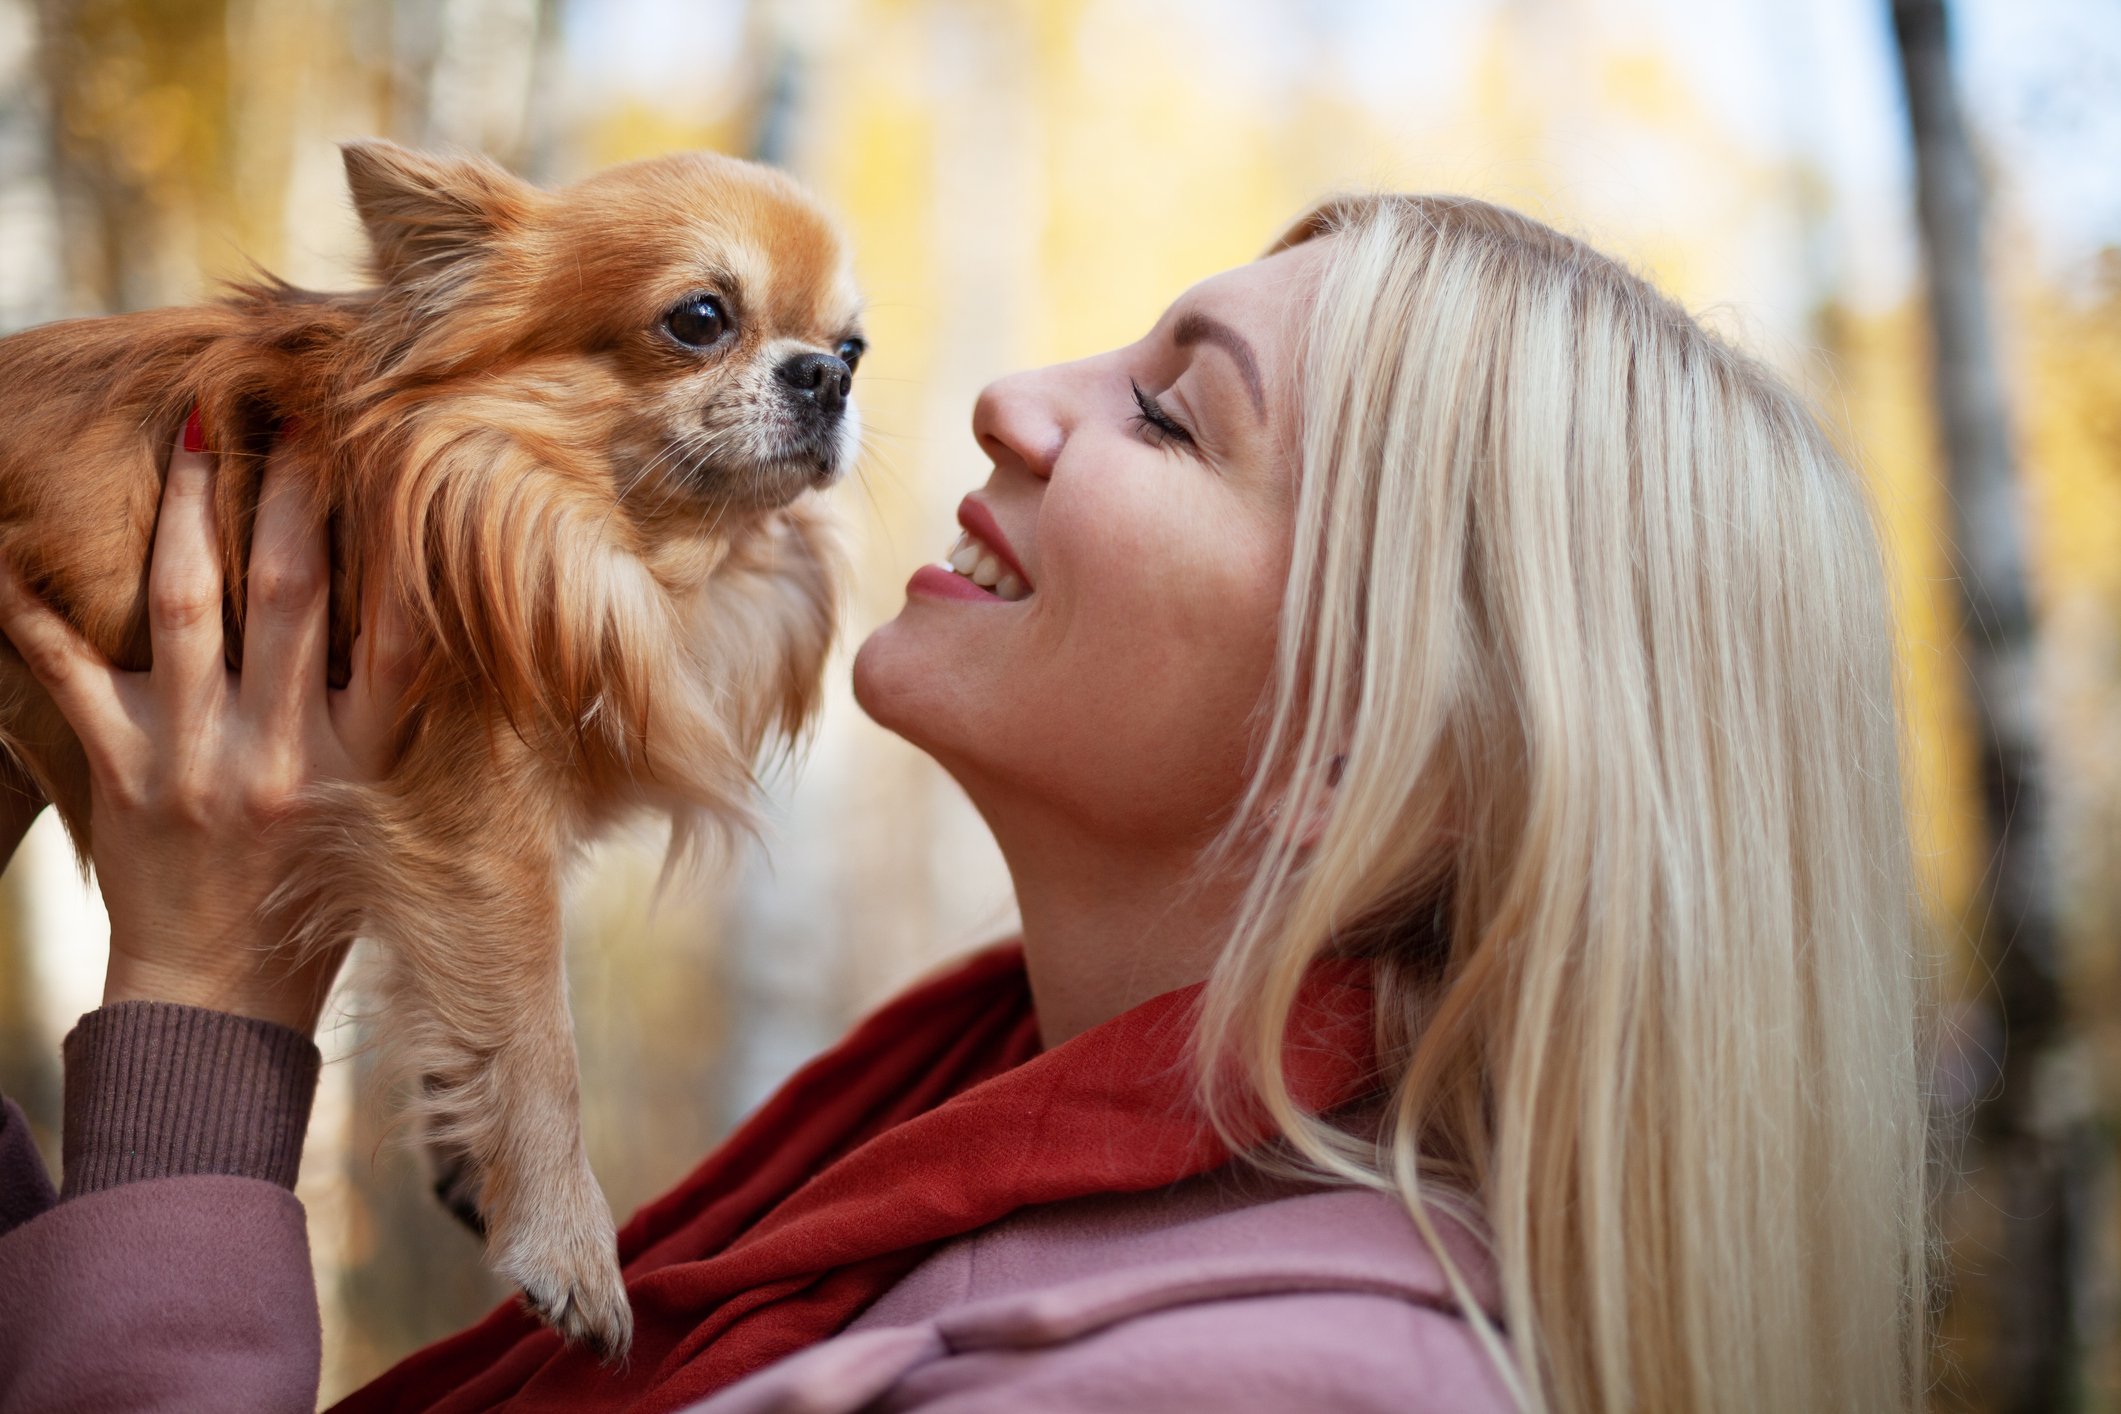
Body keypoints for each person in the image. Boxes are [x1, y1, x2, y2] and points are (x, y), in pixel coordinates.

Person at [0, 194, 1932, 1414]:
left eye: (1174, 414)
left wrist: (199, 1011)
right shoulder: (922, 1151)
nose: (1005, 396)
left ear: (1384, 732)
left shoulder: (1259, 1378)